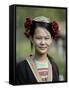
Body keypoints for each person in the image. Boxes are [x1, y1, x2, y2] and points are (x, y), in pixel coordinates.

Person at [16, 16, 59, 85]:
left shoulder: (54, 67)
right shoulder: (21, 67)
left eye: (46, 38)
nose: (42, 42)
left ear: (52, 39)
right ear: (31, 38)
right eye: (38, 38)